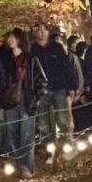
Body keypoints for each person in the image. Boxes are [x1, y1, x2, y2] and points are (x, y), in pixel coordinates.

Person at [32, 22, 78, 152]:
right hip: (41, 90)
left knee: (62, 118)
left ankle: (65, 146)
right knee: (43, 121)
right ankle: (50, 149)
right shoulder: (33, 50)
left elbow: (67, 67)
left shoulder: (56, 47)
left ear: (48, 32)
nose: (42, 33)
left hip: (58, 87)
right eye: (39, 30)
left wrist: (71, 87)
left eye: (44, 30)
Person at [0, 28, 35, 171]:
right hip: (9, 98)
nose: (10, 40)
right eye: (9, 37)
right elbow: (0, 76)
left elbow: (39, 78)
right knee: (11, 132)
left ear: (20, 39)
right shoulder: (5, 58)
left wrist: (36, 97)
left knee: (26, 133)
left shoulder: (30, 58)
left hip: (26, 97)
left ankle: (26, 166)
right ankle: (19, 165)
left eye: (14, 37)